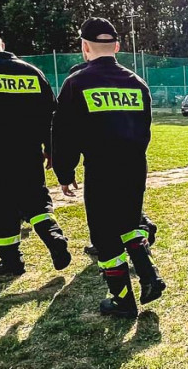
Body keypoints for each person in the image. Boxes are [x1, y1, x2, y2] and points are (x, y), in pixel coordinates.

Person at [52, 18, 165, 317]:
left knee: (104, 236)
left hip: (101, 168)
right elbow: (145, 128)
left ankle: (122, 300)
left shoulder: (76, 82)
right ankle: (150, 274)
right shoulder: (137, 83)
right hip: (134, 166)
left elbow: (63, 133)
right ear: (117, 46)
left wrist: (65, 171)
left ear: (84, 47)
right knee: (129, 223)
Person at [0, 24, 71, 277]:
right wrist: (50, 149)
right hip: (29, 152)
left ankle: (11, 261)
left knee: (0, 205)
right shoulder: (32, 72)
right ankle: (54, 237)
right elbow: (50, 115)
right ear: (2, 44)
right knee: (36, 200)